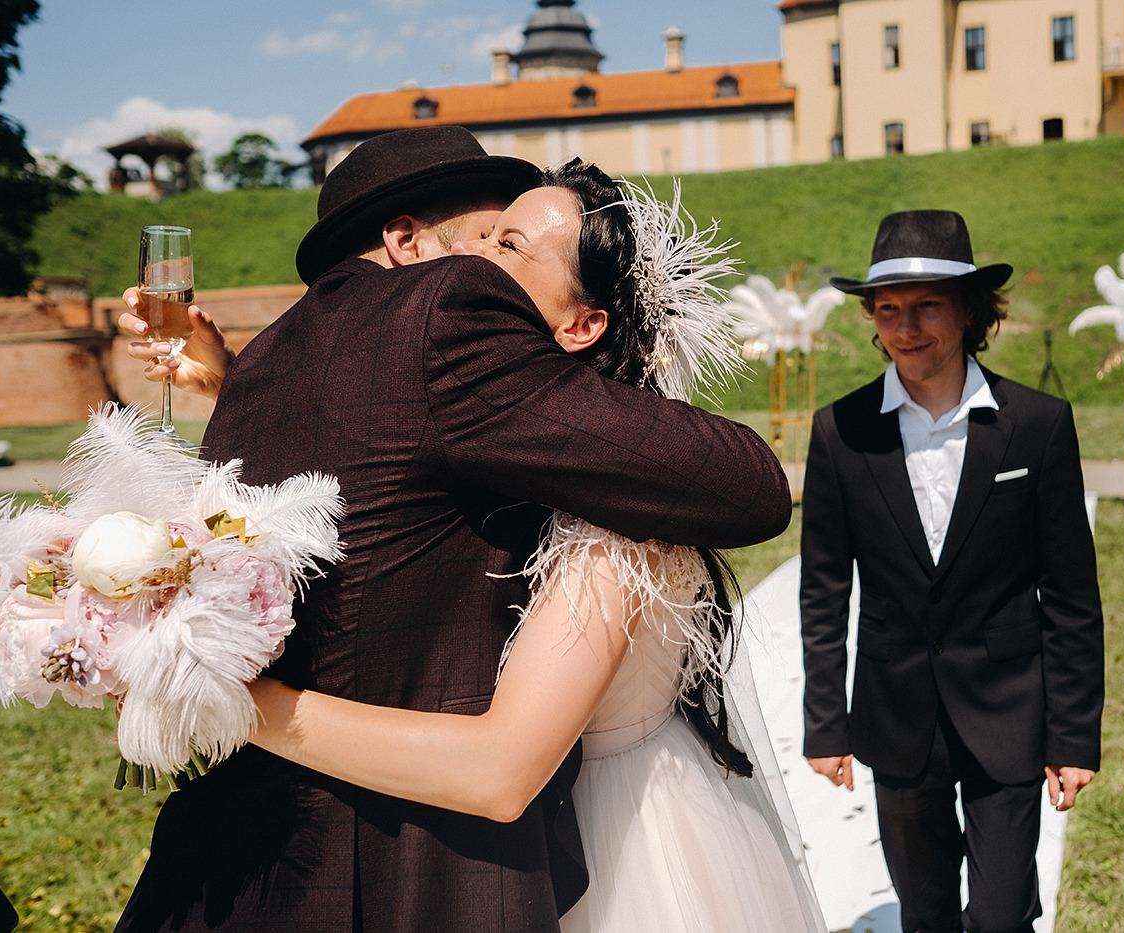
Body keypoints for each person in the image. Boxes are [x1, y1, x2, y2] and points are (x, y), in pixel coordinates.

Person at [114, 128, 792, 933]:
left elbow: (376, 465)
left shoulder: (263, 361)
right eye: (488, 240)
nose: (490, 273)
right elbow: (748, 486)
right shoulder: (447, 310)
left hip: (234, 867)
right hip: (412, 871)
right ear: (405, 242)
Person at [798, 210, 1104, 933]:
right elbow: (823, 588)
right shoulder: (842, 430)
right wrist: (824, 723)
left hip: (1009, 710)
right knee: (926, 912)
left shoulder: (1038, 424)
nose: (907, 327)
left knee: (1001, 917)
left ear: (969, 311)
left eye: (928, 305)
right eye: (889, 309)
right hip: (896, 713)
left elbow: (1070, 594)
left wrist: (1073, 737)